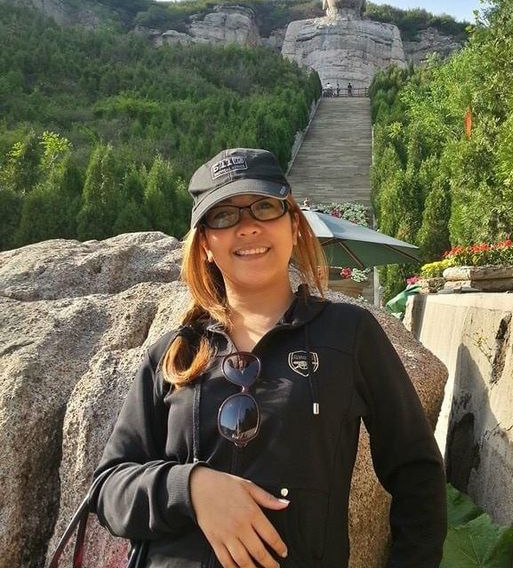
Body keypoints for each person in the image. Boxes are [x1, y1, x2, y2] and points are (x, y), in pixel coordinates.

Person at [89, 148, 447, 568]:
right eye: (224, 216)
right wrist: (191, 487)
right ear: (205, 244)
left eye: (264, 207)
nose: (248, 227)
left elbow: (416, 472)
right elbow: (109, 488)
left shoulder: (349, 334)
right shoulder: (174, 354)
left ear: (293, 225)